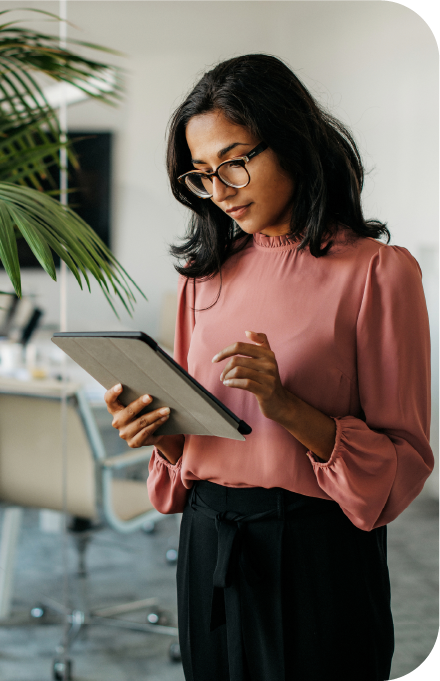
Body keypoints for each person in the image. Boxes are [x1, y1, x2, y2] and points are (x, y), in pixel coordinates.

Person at [103, 54, 434, 681]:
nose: (220, 189)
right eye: (202, 174)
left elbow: (403, 465)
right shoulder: (202, 278)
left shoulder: (378, 273)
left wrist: (287, 406)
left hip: (316, 551)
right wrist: (162, 435)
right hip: (207, 540)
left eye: (235, 161)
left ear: (291, 142)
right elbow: (200, 442)